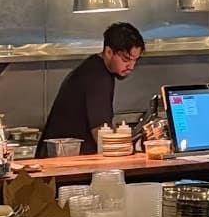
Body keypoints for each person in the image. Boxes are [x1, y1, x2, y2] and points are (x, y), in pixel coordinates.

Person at [38, 22, 143, 155]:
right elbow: (101, 133)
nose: (131, 67)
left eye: (135, 60)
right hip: (62, 159)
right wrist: (132, 148)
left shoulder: (95, 67)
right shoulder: (97, 77)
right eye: (126, 59)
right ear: (109, 52)